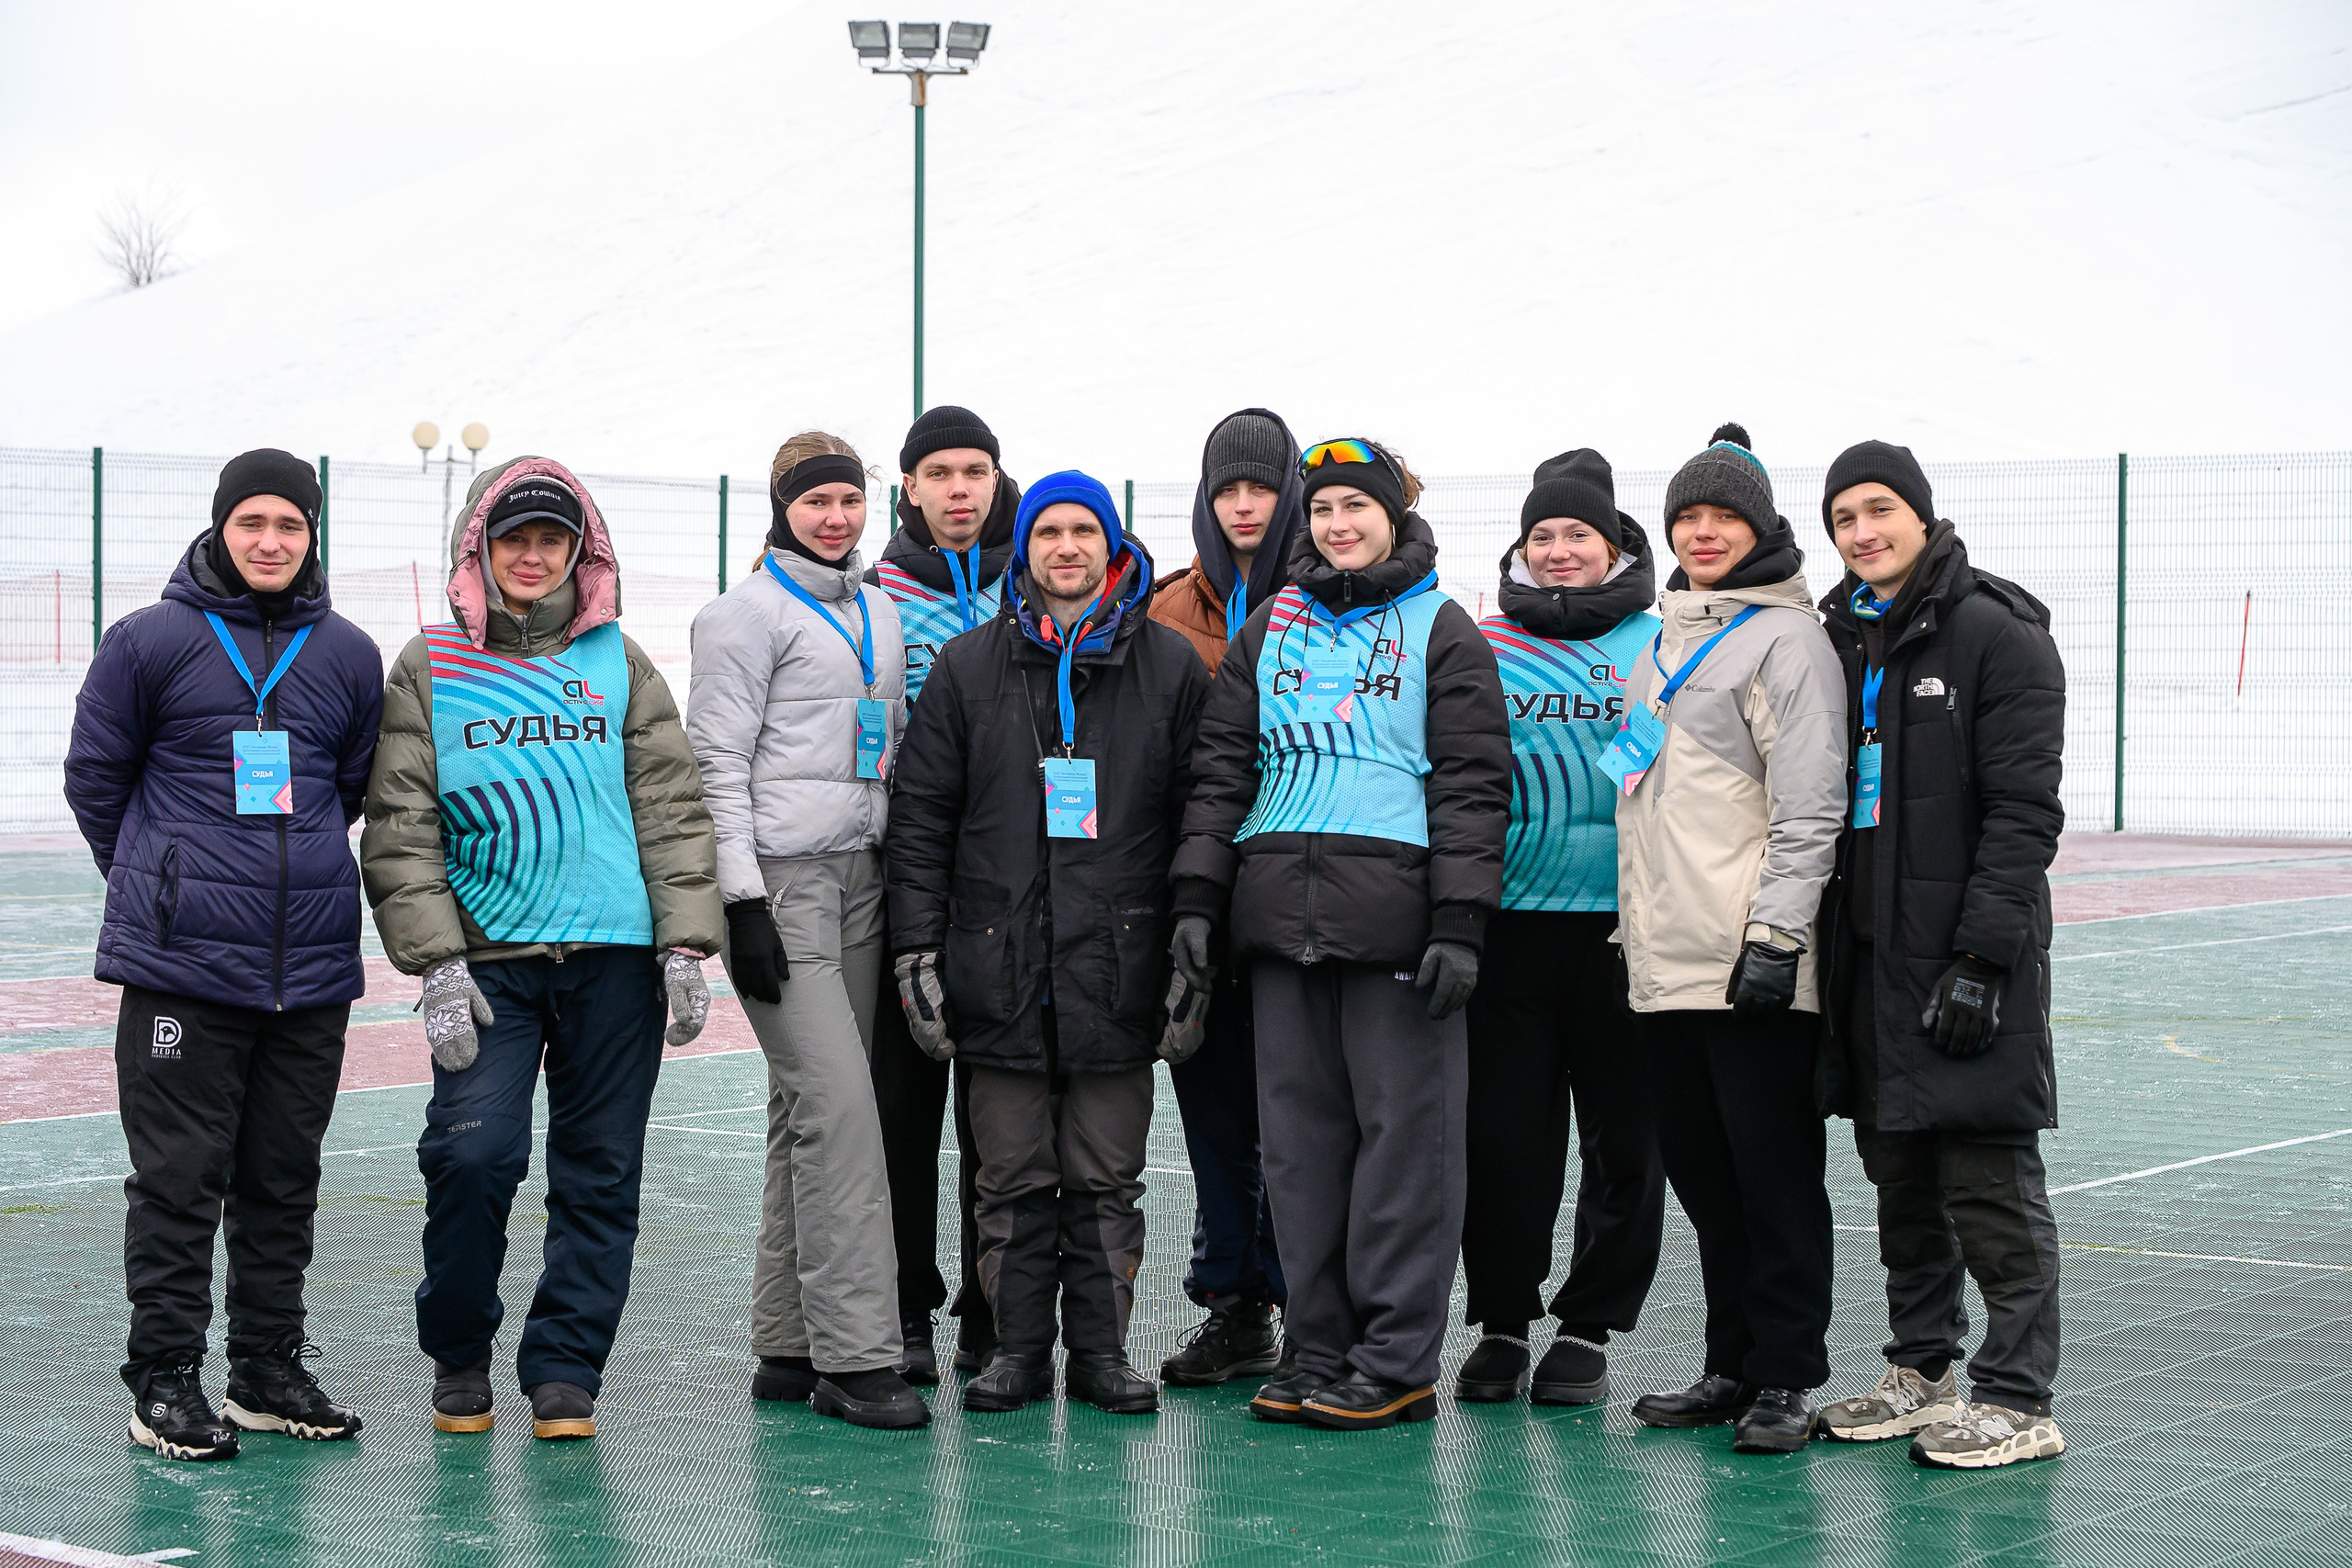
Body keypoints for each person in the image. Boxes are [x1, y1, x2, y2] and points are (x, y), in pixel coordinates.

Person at [361, 458, 722, 1441]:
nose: (531, 555)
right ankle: (460, 1353)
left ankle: (566, 1371)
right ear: (479, 549)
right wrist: (436, 963)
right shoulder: (431, 663)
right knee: (473, 1156)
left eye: (551, 539)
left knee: (601, 1173)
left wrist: (684, 942)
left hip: (615, 960)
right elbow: (401, 822)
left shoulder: (619, 659)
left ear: (580, 551)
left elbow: (670, 808)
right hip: (489, 965)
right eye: (513, 538)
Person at [1172, 438, 1510, 1431]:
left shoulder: (1442, 627)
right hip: (1278, 923)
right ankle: (1317, 1347)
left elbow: (1472, 783)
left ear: (1393, 517)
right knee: (1299, 1154)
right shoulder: (1271, 627)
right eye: (1321, 511)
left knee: (1405, 1151)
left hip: (1395, 925)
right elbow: (1222, 769)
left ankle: (1396, 1359)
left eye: (1354, 508)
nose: (1337, 525)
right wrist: (1199, 898)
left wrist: (1459, 919)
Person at [65, 449, 383, 1461]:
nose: (271, 542)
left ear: (311, 535)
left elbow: (353, 785)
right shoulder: (148, 641)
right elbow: (96, 781)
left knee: (283, 1177)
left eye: (290, 525)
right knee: (178, 1180)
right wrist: (165, 884)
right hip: (183, 971)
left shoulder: (346, 653)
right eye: (252, 522)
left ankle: (265, 1370)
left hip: (311, 970)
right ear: (219, 527)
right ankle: (163, 1379)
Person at [885, 469, 1209, 1416]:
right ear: (1022, 551)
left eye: (1082, 533)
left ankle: (1101, 1355)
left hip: (1120, 968)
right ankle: (1017, 1353)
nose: (1064, 549)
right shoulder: (967, 669)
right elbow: (921, 823)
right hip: (999, 966)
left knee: (1106, 1178)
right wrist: (917, 953)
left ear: (1111, 547)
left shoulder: (1169, 668)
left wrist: (1195, 943)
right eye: (1046, 534)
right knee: (1014, 1180)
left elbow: (1201, 815)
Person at [1807, 441, 2069, 1470]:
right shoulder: (1843, 639)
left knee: (1987, 1177)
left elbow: (2023, 814)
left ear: (1921, 514)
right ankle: (1923, 1372)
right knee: (1900, 1176)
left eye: (1879, 510)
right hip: (1866, 957)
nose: (1862, 533)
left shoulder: (1996, 637)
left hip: (1963, 960)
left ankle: (2018, 1396)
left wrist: (1982, 959)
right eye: (1843, 519)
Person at [1612, 423, 1846, 1454]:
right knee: (1706, 1176)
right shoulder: (1663, 633)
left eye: (1724, 516)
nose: (1703, 532)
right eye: (1689, 516)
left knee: (1773, 1174)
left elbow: (1809, 808)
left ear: (1760, 528)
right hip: (1663, 956)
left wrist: (1776, 937)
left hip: (1748, 957)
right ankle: (1730, 1362)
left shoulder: (1787, 640)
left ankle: (1788, 1375)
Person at [688, 433, 926, 1429]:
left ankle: (787, 1342)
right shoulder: (740, 616)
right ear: (781, 508)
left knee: (806, 1115)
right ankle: (858, 1358)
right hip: (783, 885)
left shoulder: (877, 608)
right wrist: (740, 901)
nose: (834, 517)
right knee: (841, 1111)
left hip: (861, 871)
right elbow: (714, 764)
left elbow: (893, 743)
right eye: (814, 501)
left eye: (847, 500)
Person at [1457, 449, 1667, 1406]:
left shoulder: (1659, 643)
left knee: (1625, 1141)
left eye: (1575, 533)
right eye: (1540, 535)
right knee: (1504, 1140)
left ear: (1615, 542)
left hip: (1627, 932)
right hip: (1513, 927)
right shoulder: (1486, 645)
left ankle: (1587, 1325)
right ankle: (1502, 1317)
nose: (1557, 550)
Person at [1147, 408, 1307, 1388]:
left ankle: (1307, 1304)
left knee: (1297, 1113)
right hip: (1192, 899)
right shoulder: (1168, 610)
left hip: (1294, 894)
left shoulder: (1328, 599)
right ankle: (1232, 1304)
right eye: (1226, 490)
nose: (1244, 506)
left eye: (1259, 488)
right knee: (1210, 1109)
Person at [865, 405, 1023, 1382]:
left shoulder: (1034, 576)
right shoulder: (874, 596)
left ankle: (991, 1309)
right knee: (900, 1111)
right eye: (940, 474)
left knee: (997, 1118)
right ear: (911, 488)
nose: (959, 490)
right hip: (899, 880)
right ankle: (906, 1308)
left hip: (1010, 891)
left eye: (974, 471)